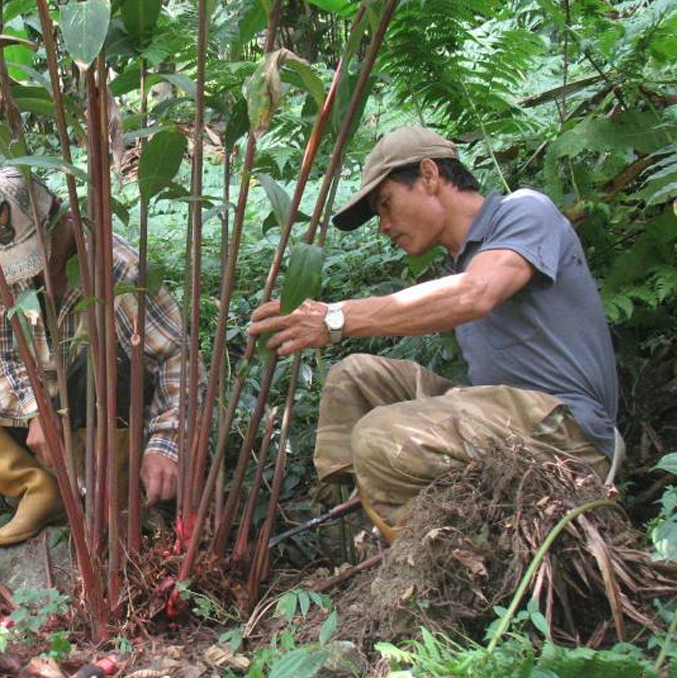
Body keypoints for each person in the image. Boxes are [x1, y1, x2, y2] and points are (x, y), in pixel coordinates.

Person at [246, 126, 620, 541]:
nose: (384, 226)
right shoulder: (457, 264)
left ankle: (438, 555)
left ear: (429, 175)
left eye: (386, 204)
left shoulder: (525, 212)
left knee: (379, 436)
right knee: (354, 377)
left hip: (566, 431)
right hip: (502, 420)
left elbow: (475, 294)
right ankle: (366, 526)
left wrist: (336, 318)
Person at [0, 167, 185, 546]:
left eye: (41, 251)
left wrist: (165, 445)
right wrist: (34, 410)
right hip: (37, 428)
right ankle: (39, 487)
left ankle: (110, 494)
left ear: (59, 214)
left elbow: (176, 359)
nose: (36, 271)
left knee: (97, 364)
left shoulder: (118, 265)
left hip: (101, 418)